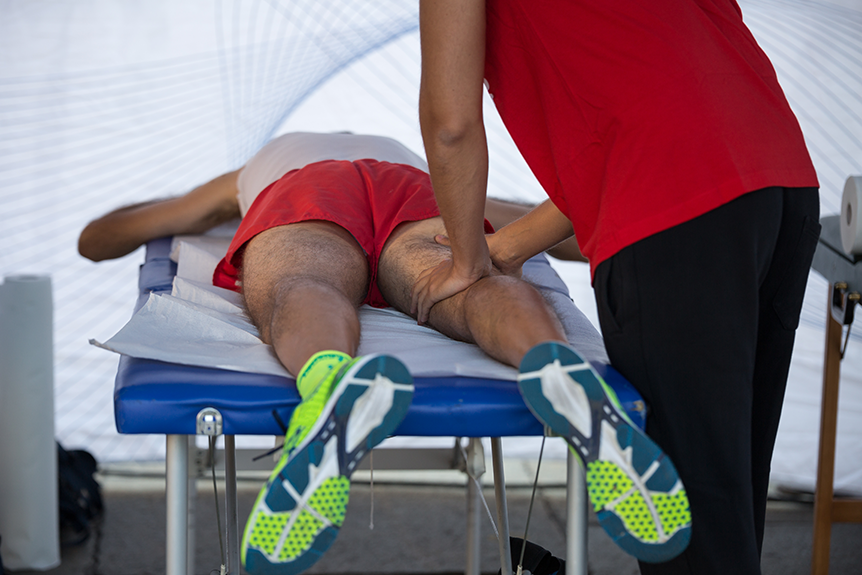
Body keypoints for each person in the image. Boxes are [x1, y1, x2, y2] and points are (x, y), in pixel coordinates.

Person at [79, 131, 690, 573]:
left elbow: (98, 240)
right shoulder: (412, 159)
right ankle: (553, 365)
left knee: (303, 285)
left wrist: (179, 210)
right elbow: (570, 233)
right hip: (422, 194)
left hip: (305, 191)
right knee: (474, 283)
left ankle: (330, 384)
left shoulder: (263, 167)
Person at [414, 2, 820, 574]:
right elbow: (652, 120)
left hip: (677, 202)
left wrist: (465, 260)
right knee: (729, 497)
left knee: (693, 522)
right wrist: (502, 249)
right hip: (782, 180)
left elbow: (450, 124)